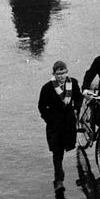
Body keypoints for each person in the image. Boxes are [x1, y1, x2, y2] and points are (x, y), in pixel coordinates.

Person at [38, 61, 83, 191]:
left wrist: (76, 109)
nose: (62, 76)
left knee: (64, 148)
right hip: (55, 125)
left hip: (68, 124)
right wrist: (49, 119)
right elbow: (42, 106)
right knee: (57, 153)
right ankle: (59, 180)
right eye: (59, 74)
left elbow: (78, 97)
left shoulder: (73, 83)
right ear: (54, 74)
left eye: (64, 73)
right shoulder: (47, 88)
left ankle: (59, 176)